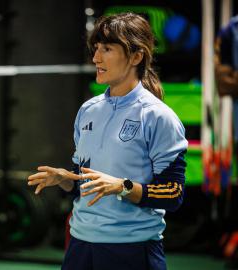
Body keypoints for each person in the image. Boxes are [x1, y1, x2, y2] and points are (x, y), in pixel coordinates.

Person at [28, 13, 187, 270]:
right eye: (96, 48)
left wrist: (124, 187)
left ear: (136, 56)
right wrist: (66, 179)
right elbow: (86, 185)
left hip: (133, 250)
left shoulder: (158, 116)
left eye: (107, 49)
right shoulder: (88, 111)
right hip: (80, 245)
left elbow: (173, 193)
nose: (96, 58)